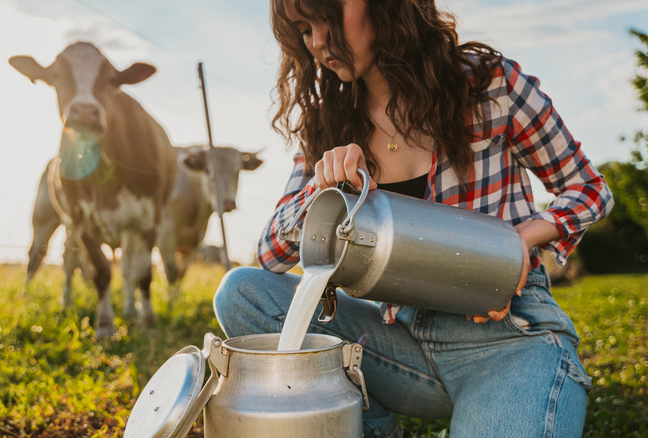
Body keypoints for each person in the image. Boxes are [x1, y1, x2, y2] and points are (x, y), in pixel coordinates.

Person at [213, 0, 613, 436]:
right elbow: (270, 254)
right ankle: (374, 425)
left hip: (507, 337)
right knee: (241, 293)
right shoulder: (329, 122)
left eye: (327, 17)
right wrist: (321, 190)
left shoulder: (487, 85)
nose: (319, 41)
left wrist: (523, 237)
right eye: (304, 29)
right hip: (395, 343)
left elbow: (590, 188)